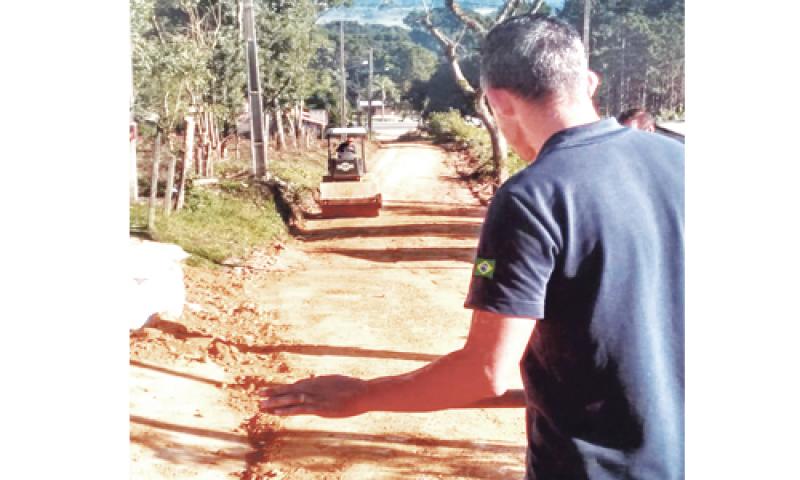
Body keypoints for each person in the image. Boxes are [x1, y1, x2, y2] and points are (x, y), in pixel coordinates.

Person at [260, 14, 684, 480]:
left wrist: (360, 396)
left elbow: (486, 372)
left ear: (498, 101)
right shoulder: (682, 162)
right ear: (588, 81)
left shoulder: (535, 195)